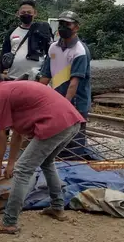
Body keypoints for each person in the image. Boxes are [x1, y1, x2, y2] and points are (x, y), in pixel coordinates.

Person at [0, 62, 83, 234]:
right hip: (72, 121)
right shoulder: (9, 89)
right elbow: (17, 133)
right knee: (46, 162)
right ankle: (58, 207)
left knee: (23, 170)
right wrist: (10, 162)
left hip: (55, 124)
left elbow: (1, 135)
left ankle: (9, 222)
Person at [39, 10, 92, 159]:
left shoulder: (80, 51)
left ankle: (76, 166)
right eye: (61, 24)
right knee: (57, 137)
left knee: (75, 140)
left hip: (75, 101)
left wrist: (65, 104)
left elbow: (74, 83)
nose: (63, 27)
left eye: (67, 24)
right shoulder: (53, 48)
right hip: (56, 100)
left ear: (76, 27)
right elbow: (45, 76)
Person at [0, 0, 54, 80]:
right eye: (23, 13)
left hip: (35, 79)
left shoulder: (43, 31)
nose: (26, 15)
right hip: (13, 77)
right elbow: (4, 52)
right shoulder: (11, 32)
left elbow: (50, 53)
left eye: (29, 12)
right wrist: (0, 72)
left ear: (35, 13)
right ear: (18, 14)